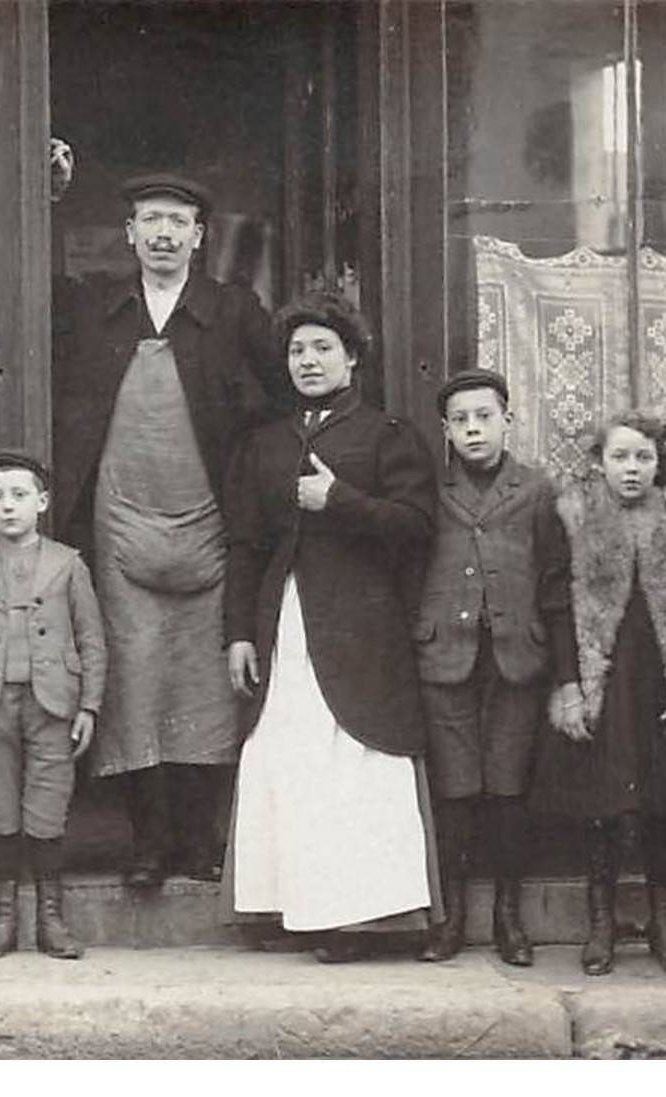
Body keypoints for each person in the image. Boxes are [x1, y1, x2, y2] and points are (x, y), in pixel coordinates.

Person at [51, 172, 290, 889]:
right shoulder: (96, 308)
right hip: (120, 527)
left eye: (176, 221)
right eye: (149, 219)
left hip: (210, 526)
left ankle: (201, 840)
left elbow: (281, 399)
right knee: (134, 682)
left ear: (198, 235)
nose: (161, 233)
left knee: (207, 683)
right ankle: (147, 843)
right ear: (128, 233)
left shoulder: (235, 310)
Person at [223, 290, 438, 962]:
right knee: (290, 754)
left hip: (361, 625)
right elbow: (245, 547)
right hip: (284, 623)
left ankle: (361, 917)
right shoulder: (263, 444)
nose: (307, 360)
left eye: (322, 348)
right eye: (296, 350)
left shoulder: (387, 435)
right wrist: (238, 632)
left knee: (351, 760)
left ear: (351, 357)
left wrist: (336, 500)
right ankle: (288, 905)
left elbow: (416, 526)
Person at [534, 412, 666, 976]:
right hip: (604, 682)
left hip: (663, 682)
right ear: (599, 463)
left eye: (644, 457)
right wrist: (569, 685)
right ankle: (601, 924)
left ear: (659, 463)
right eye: (620, 457)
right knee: (603, 807)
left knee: (662, 802)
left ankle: (665, 923)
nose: (633, 469)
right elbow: (555, 607)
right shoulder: (572, 516)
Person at [415, 369, 572, 966]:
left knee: (508, 788)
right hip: (444, 655)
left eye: (485, 416)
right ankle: (451, 917)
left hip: (515, 657)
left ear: (508, 420)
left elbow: (556, 580)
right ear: (447, 430)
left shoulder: (537, 490)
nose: (474, 429)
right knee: (455, 790)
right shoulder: (427, 489)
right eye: (461, 420)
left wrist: (562, 671)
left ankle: (509, 917)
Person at [0, 451, 107, 960]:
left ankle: (51, 920)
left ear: (42, 502)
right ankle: (2, 919)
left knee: (47, 809)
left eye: (19, 495)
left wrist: (89, 707)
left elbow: (92, 640)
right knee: (0, 809)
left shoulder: (68, 565)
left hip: (52, 706)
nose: (8, 507)